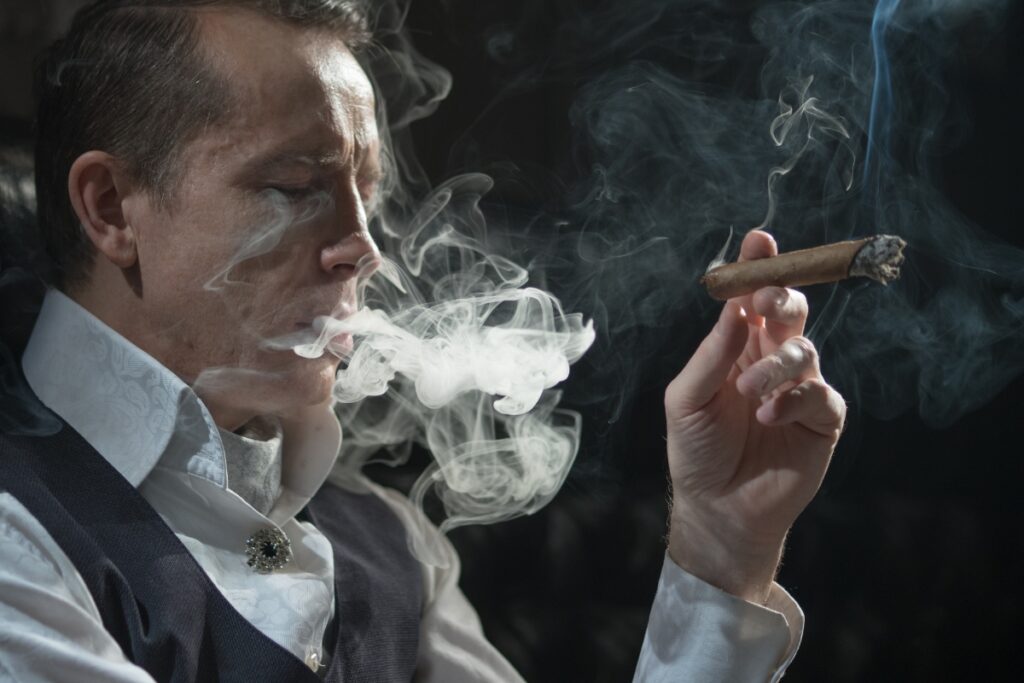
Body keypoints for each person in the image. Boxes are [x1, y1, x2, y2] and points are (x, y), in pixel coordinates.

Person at [0, 1, 847, 681]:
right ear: (112, 207)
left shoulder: (393, 542)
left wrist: (720, 549)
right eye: (294, 186)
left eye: (365, 193)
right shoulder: (19, 539)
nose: (364, 245)